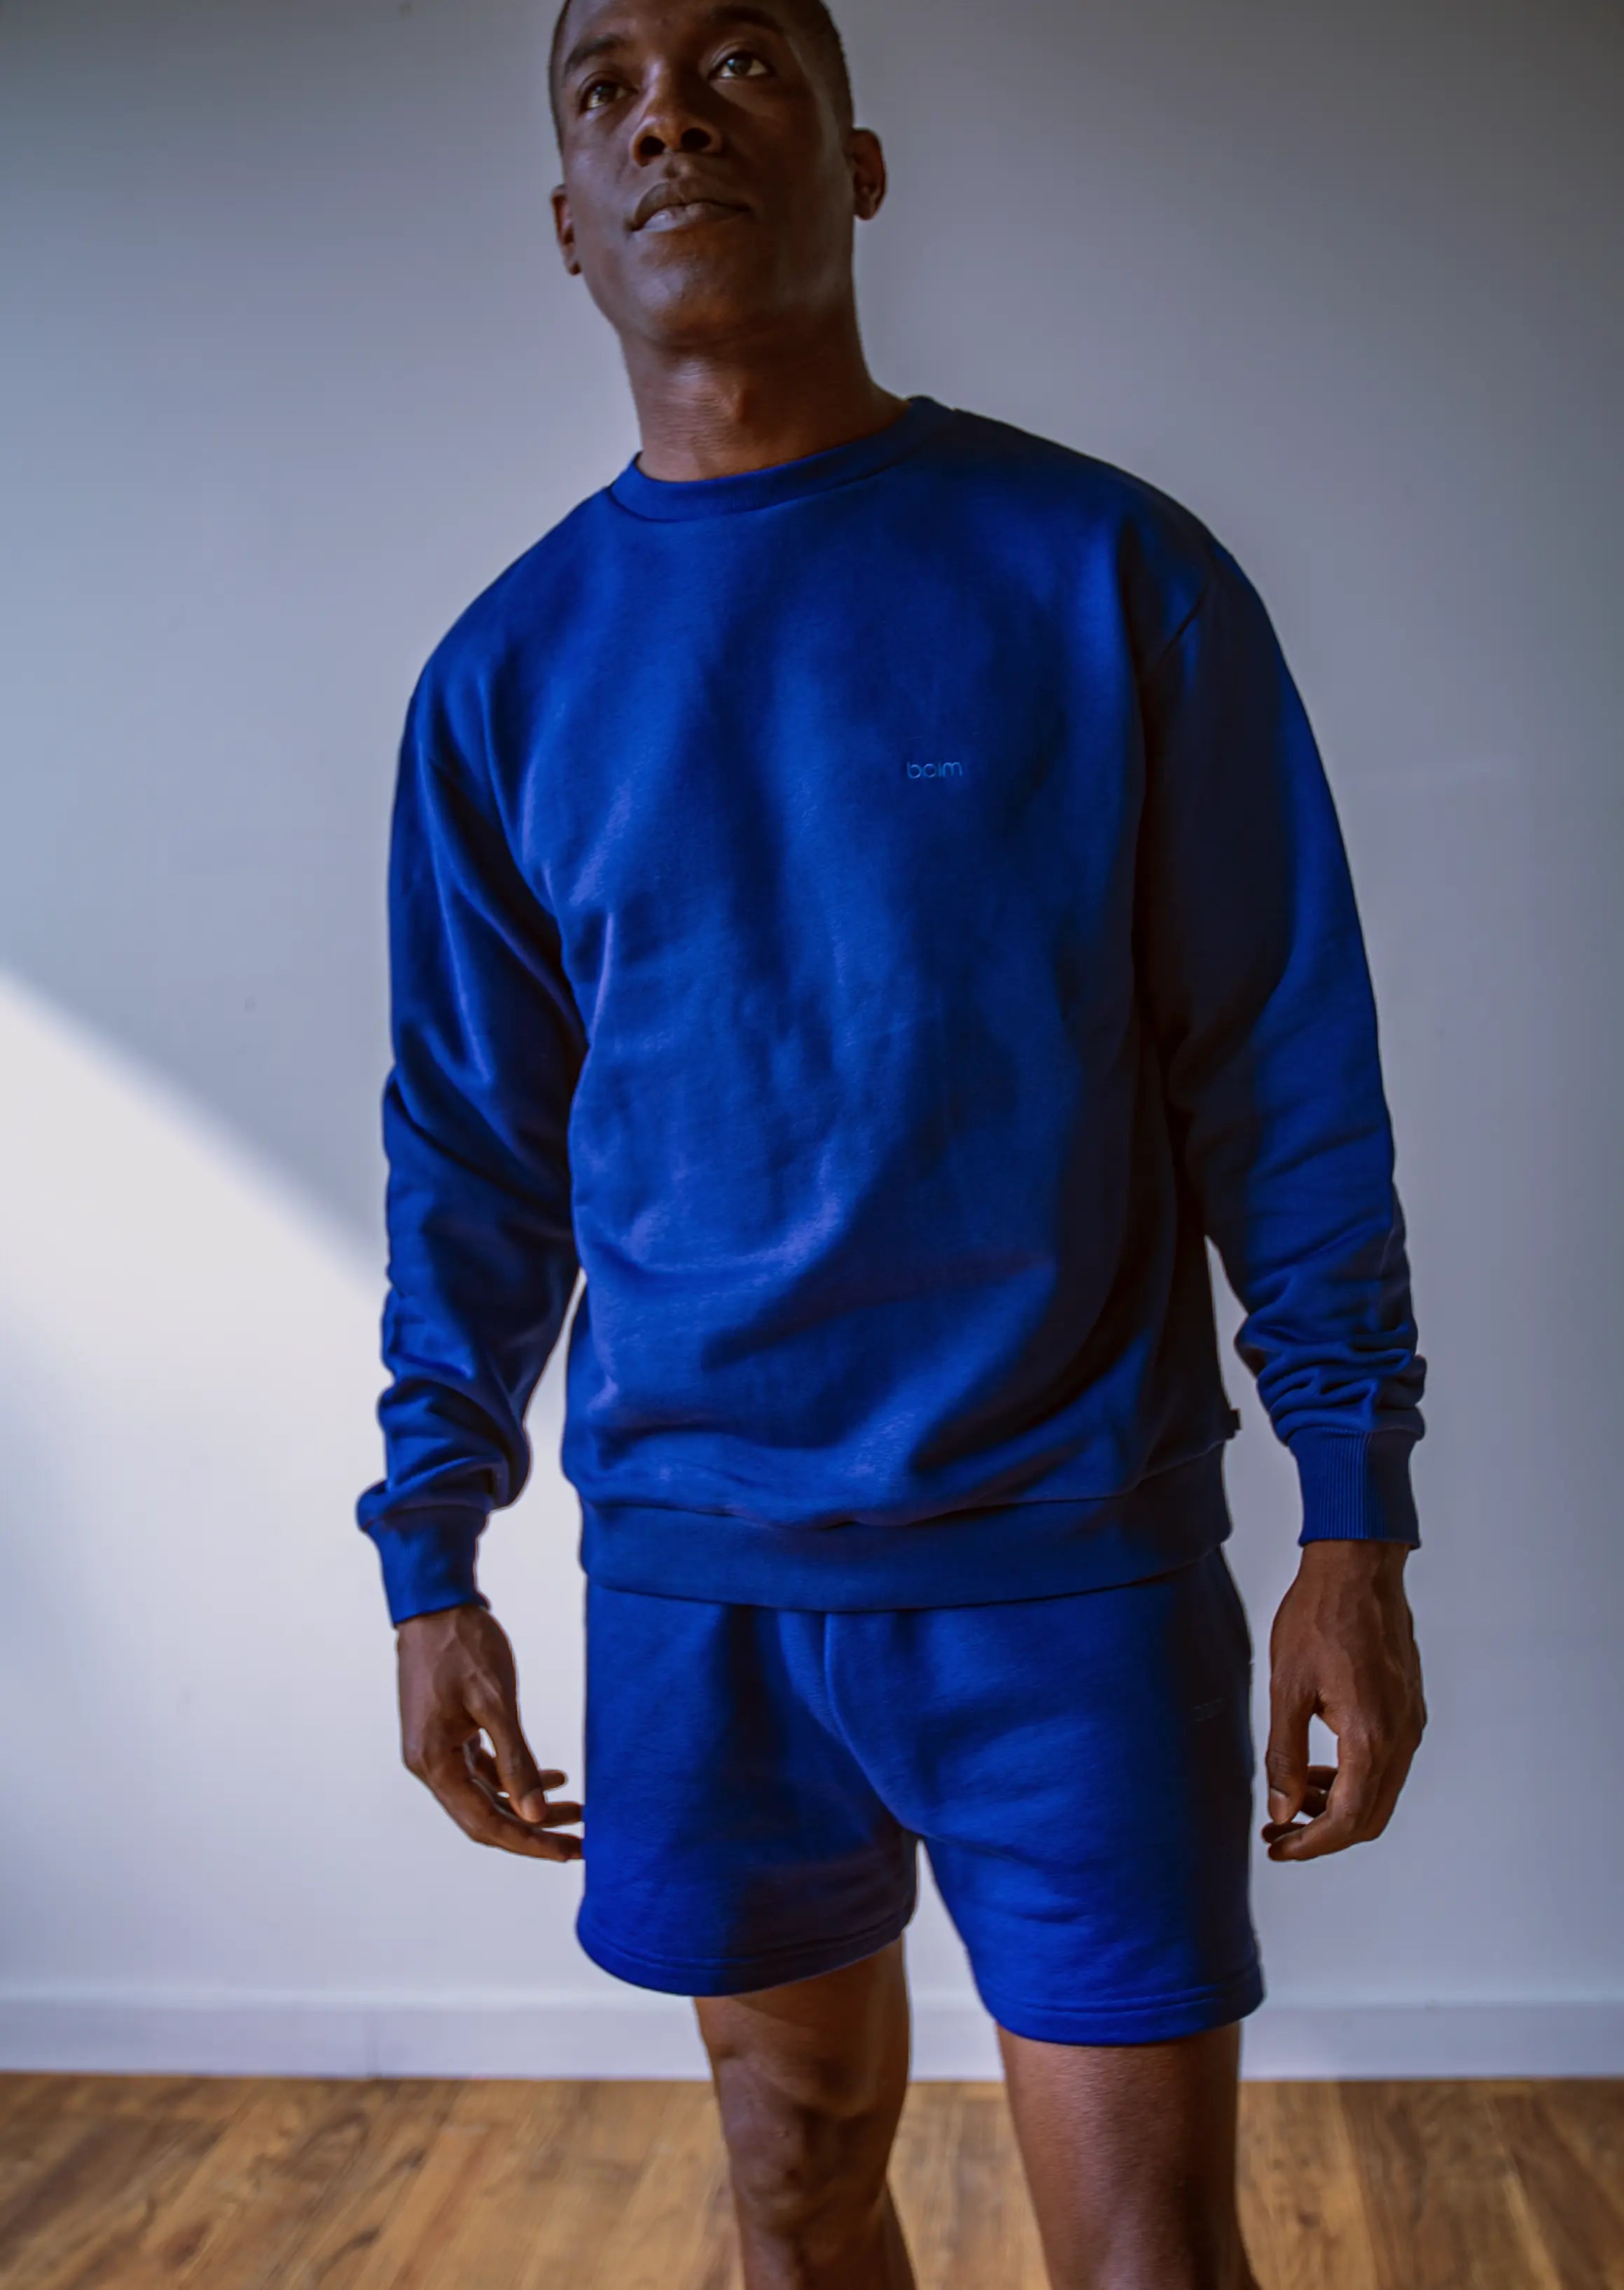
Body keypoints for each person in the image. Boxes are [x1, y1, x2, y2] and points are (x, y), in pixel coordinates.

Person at [357, 1, 1429, 2282]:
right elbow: (472, 1155)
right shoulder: (504, 676)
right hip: (701, 1581)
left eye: (742, 59)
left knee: (1146, 2257)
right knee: (789, 2176)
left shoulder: (1107, 577)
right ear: (568, 220)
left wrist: (1355, 1521)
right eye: (609, 82)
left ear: (855, 163)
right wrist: (429, 1550)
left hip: (1073, 1566)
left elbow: (1283, 1073)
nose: (670, 109)